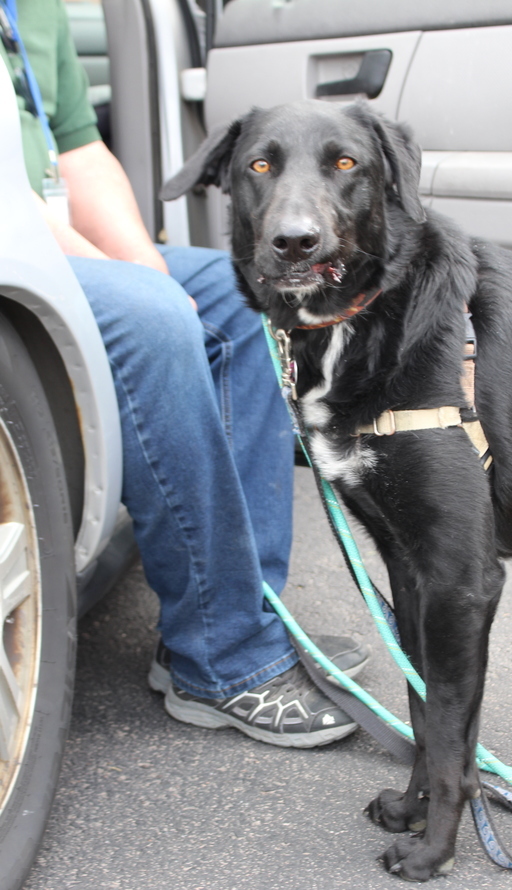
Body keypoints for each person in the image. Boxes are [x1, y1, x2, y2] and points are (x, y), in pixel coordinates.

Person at [0, 0, 368, 747]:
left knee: (246, 298)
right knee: (153, 320)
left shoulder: (34, 8)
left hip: (46, 234)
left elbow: (78, 152)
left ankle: (244, 617)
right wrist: (137, 288)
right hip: (16, 239)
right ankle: (224, 661)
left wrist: (143, 263)